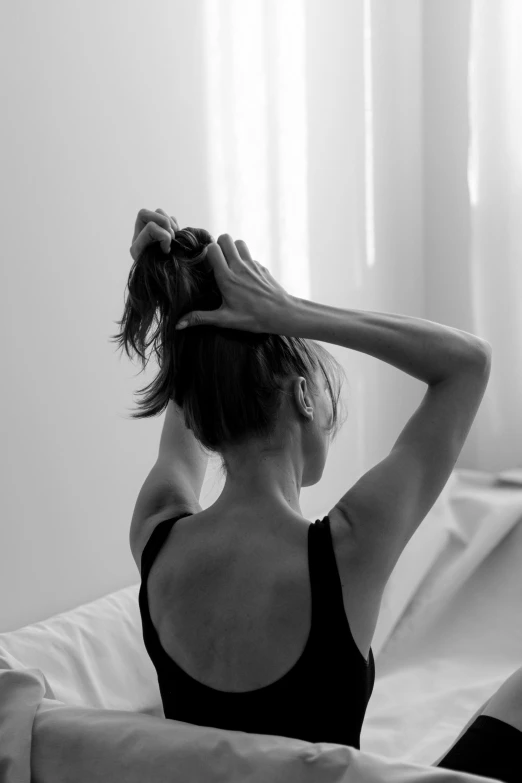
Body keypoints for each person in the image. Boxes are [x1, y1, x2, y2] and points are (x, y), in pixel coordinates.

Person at [111, 208, 520, 781]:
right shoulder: (350, 548)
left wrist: (185, 304)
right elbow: (468, 363)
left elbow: (193, 403)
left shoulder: (156, 534)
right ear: (304, 397)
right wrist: (291, 313)